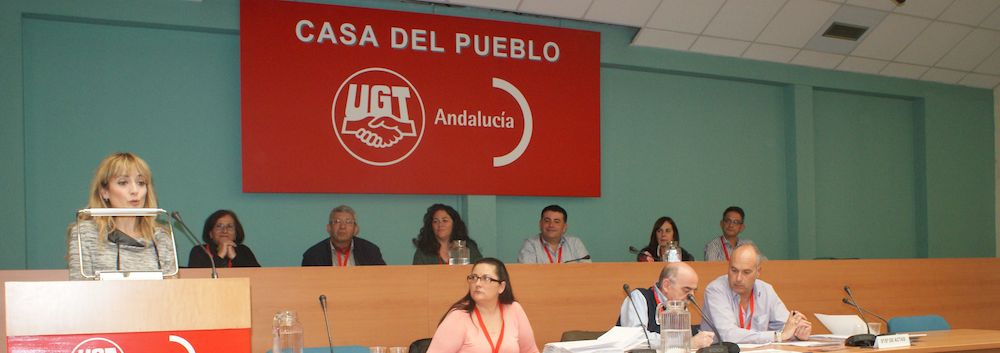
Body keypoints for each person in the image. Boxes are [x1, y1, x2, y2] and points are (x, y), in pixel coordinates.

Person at [66, 152, 177, 280]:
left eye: (141, 183)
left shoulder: (161, 237)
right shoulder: (86, 233)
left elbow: (172, 294)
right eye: (123, 183)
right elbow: (80, 290)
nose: (135, 191)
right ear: (105, 192)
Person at [700, 244, 811, 344]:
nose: (738, 278)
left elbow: (786, 327)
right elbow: (729, 336)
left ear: (758, 272)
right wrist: (778, 336)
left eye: (746, 272)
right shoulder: (715, 290)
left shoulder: (766, 290)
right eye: (734, 270)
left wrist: (798, 330)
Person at [427, 257, 539, 353]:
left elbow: (530, 351)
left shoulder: (514, 309)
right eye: (474, 278)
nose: (478, 283)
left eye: (486, 278)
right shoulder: (458, 316)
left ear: (501, 287)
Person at [617, 262, 714, 349]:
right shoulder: (638, 297)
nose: (691, 296)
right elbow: (635, 340)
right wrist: (684, 343)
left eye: (694, 291)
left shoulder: (680, 306)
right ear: (666, 285)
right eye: (686, 290)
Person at [302, 205, 386, 266]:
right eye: (337, 222)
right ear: (328, 228)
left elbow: (383, 280)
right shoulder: (313, 255)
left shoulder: (370, 251)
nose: (342, 227)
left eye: (348, 222)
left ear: (355, 229)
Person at [413, 204, 484, 265]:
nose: (440, 224)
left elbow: (480, 270)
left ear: (454, 224)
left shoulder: (468, 247)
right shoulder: (423, 251)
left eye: (445, 220)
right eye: (435, 221)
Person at [518, 205, 590, 264]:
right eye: (547, 221)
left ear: (564, 227)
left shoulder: (574, 243)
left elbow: (587, 270)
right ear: (540, 224)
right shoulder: (530, 245)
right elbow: (528, 274)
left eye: (557, 221)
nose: (551, 225)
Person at [187, 210, 260, 268]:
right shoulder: (199, 251)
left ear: (236, 233)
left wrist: (234, 257)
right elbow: (198, 280)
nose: (224, 231)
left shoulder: (244, 251)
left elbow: (258, 277)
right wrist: (220, 255)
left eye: (230, 226)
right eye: (219, 226)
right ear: (211, 233)